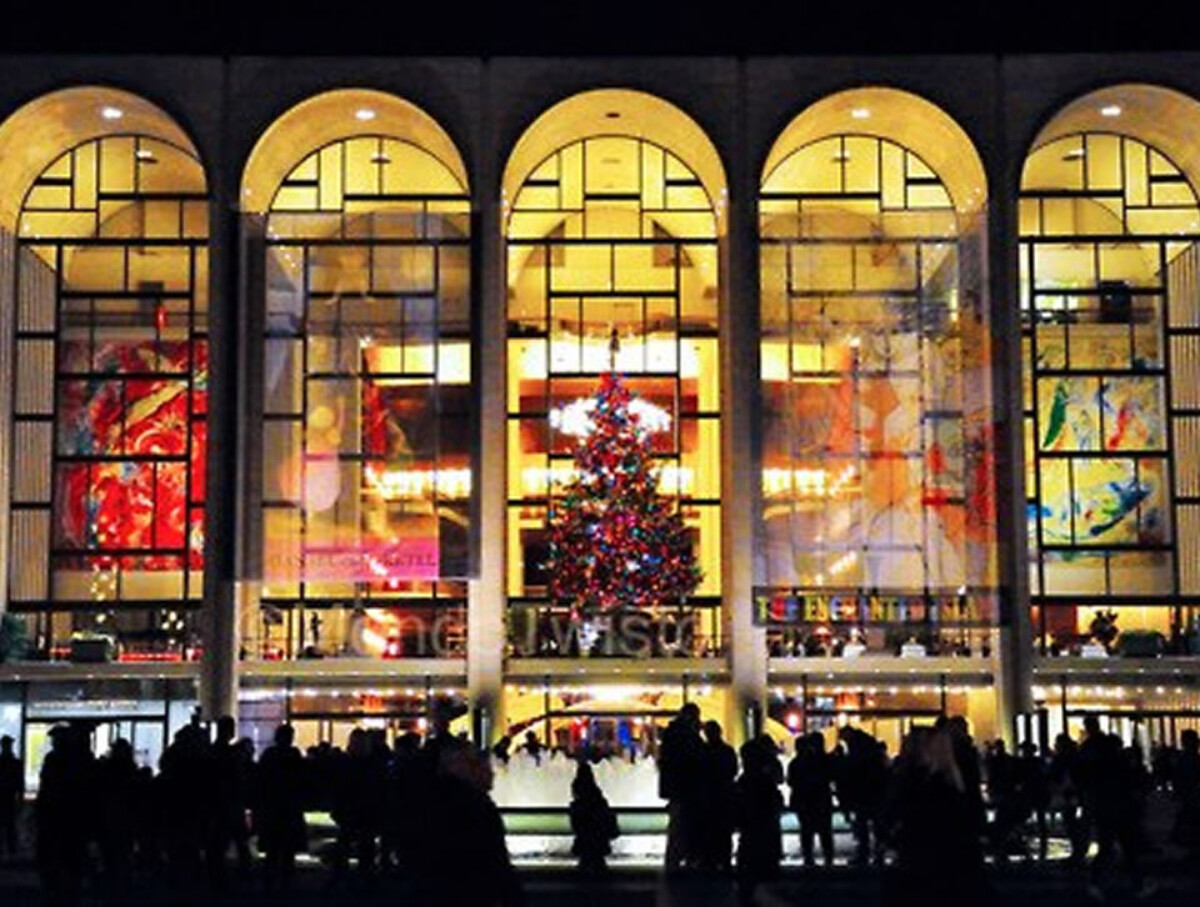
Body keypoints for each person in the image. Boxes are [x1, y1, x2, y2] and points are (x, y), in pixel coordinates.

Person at [1077, 715, 1151, 899]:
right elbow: (1130, 781)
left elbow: (1083, 777)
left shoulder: (1088, 750)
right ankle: (1136, 884)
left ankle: (1096, 882)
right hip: (1119, 806)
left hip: (1103, 804)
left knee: (1107, 846)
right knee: (1127, 847)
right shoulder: (1115, 760)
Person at [255, 724, 307, 890]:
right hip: (288, 809)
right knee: (287, 852)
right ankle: (286, 883)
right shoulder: (293, 754)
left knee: (273, 851)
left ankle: (270, 883)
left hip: (273, 809)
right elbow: (301, 780)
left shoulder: (269, 755)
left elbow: (261, 781)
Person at [735, 735, 783, 905]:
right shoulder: (764, 781)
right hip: (764, 828)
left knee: (748, 864)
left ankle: (748, 894)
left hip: (750, 830)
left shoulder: (744, 781)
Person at [658, 702, 704, 871]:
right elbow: (694, 759)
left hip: (678, 789)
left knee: (678, 827)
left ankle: (675, 862)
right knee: (683, 826)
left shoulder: (672, 734)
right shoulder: (685, 736)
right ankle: (683, 861)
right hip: (686, 789)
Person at [787, 732, 834, 868]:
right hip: (821, 798)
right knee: (824, 830)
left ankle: (809, 857)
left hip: (804, 800)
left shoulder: (797, 763)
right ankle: (827, 857)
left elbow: (791, 781)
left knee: (807, 830)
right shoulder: (823, 760)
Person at [700, 719, 738, 871]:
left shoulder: (703, 751)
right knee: (724, 832)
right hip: (724, 796)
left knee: (710, 831)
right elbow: (733, 771)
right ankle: (725, 860)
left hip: (709, 797)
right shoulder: (727, 751)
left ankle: (710, 861)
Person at [568, 760, 618, 873]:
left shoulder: (578, 800)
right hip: (598, 836)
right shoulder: (597, 796)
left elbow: (576, 821)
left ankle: (585, 882)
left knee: (585, 862)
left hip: (585, 837)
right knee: (598, 862)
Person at [0, 734, 21, 861]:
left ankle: (7, 849)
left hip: (4, 797)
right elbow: (19, 782)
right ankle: (11, 850)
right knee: (10, 826)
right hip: (9, 797)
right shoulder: (15, 763)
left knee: (7, 826)